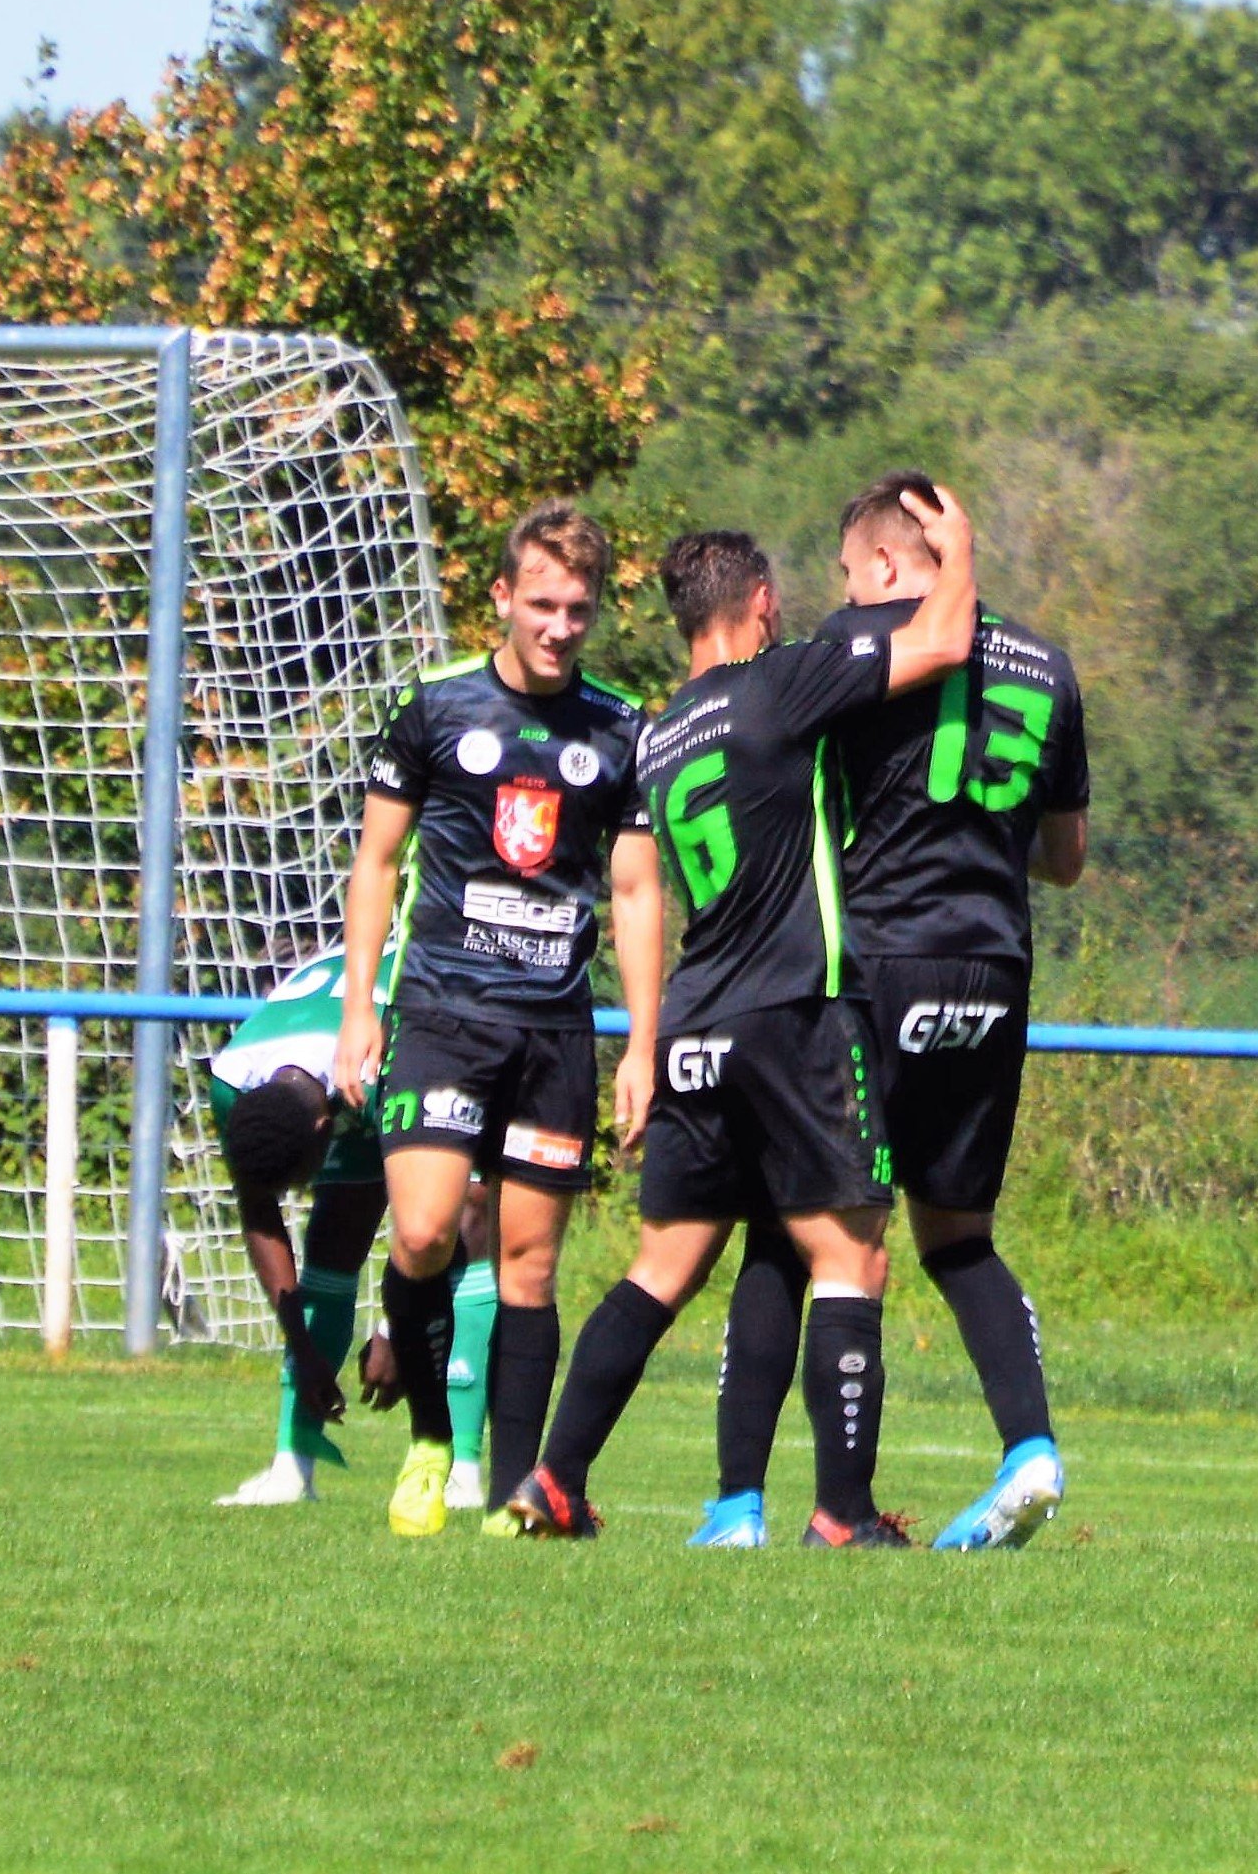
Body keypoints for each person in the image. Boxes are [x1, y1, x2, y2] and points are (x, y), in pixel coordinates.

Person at [509, 495, 977, 1547]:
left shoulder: (658, 736)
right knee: (850, 1259)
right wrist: (957, 547)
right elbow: (945, 640)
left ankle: (554, 1476)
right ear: (761, 604)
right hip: (794, 1011)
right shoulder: (779, 681)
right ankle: (843, 1513)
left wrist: (643, 1044)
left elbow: (638, 888)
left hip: (696, 1023)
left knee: (662, 1268)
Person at [695, 472, 1087, 1551]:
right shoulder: (1048, 665)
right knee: (957, 1237)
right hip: (993, 970)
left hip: (876, 964)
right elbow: (1065, 858)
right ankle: (1029, 1448)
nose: (842, 590)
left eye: (846, 570)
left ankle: (764, 1505)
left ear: (880, 562)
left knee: (798, 1231)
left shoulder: (856, 639)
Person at [331, 501, 662, 1536]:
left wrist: (640, 1043)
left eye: (579, 609)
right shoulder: (436, 708)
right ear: (503, 597)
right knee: (424, 1230)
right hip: (441, 1011)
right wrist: (357, 1008)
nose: (560, 626)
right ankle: (431, 1440)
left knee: (527, 1262)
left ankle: (520, 1490)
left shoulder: (620, 728)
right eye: (543, 604)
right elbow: (376, 862)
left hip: (552, 1031)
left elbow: (635, 891)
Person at [209, 936, 496, 1509]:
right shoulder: (233, 1083)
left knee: (471, 1213)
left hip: (446, 1024)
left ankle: (462, 1471)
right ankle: (293, 1466)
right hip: (352, 1067)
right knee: (334, 1234)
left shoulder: (383, 1057)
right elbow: (258, 1209)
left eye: (300, 1180)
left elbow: (435, 1216)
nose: (299, 1192)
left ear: (324, 1132)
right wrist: (302, 1345)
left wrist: (397, 1329)